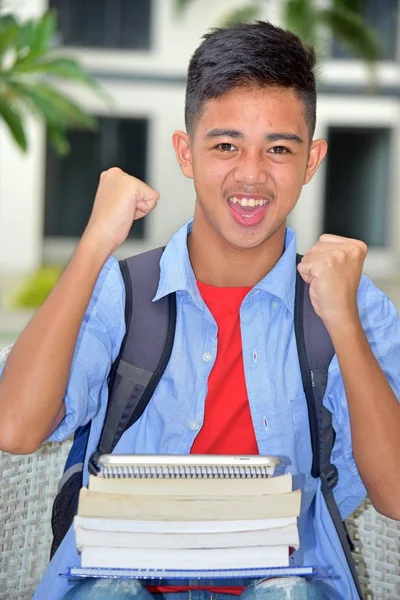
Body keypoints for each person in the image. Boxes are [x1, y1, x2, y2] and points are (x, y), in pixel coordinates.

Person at [0, 19, 399, 600]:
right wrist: (93, 244)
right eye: (225, 145)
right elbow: (14, 428)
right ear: (186, 153)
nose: (251, 175)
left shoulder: (352, 300)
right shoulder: (123, 290)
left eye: (279, 149)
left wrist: (342, 319)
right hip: (118, 581)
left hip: (286, 586)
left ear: (312, 161)